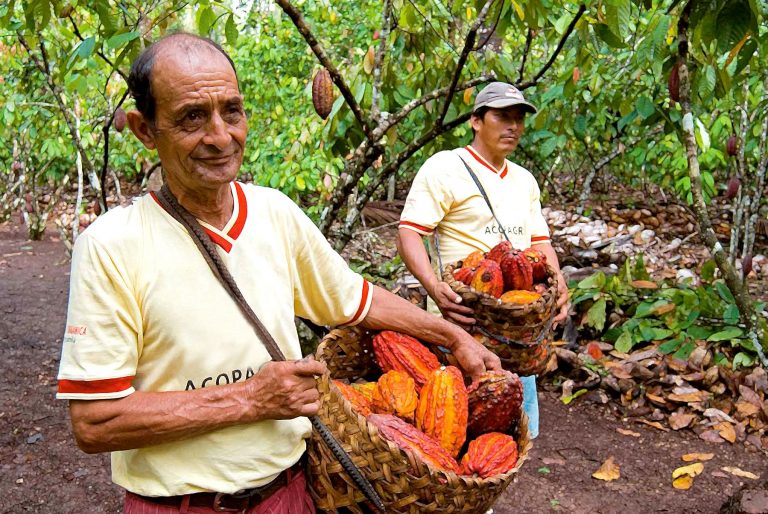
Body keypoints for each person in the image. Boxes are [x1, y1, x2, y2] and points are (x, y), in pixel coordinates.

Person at [56, 33, 501, 514]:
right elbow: (95, 422)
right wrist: (251, 398)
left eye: (232, 111)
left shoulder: (275, 214)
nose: (221, 136)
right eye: (191, 117)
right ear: (146, 129)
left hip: (289, 495)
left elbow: (355, 298)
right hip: (180, 505)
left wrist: (452, 335)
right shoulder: (111, 245)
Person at [397, 81, 570, 440]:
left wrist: (559, 286)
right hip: (463, 321)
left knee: (513, 436)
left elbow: (540, 244)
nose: (513, 127)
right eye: (502, 117)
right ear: (476, 121)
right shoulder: (445, 167)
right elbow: (409, 233)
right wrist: (434, 286)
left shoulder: (524, 181)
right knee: (453, 429)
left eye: (519, 119)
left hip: (514, 328)